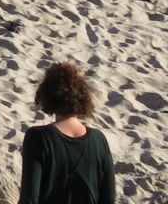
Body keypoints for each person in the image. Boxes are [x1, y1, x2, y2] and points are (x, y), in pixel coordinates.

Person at [17, 62, 116, 204]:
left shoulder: (38, 138)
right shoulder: (99, 140)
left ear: (46, 96)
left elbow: (30, 198)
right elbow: (109, 198)